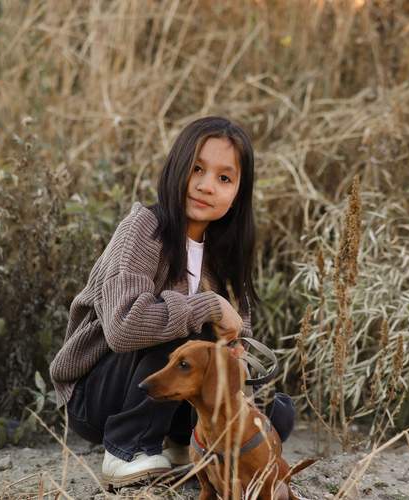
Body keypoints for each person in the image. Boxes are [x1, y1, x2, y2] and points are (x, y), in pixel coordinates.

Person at [49, 116, 293, 487]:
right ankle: (127, 449)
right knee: (186, 330)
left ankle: (188, 444)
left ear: (238, 193)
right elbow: (123, 328)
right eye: (197, 169)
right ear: (177, 167)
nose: (206, 186)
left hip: (174, 396)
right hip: (98, 395)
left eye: (224, 178)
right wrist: (209, 307)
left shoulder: (226, 251)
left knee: (272, 408)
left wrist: (235, 356)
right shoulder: (144, 228)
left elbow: (236, 333)